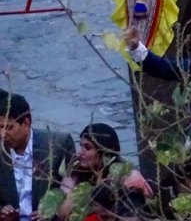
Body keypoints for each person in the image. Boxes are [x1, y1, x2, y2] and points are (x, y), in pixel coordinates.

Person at [0, 92, 75, 221]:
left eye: (8, 128)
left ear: (26, 123)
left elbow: (74, 188)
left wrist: (54, 210)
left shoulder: (58, 145)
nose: (2, 134)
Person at [57, 123, 151, 221]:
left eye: (87, 148)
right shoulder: (76, 170)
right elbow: (62, 212)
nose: (80, 152)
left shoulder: (127, 176)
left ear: (105, 151)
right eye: (80, 146)